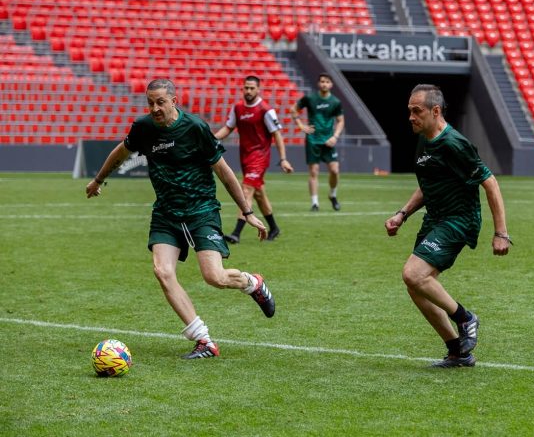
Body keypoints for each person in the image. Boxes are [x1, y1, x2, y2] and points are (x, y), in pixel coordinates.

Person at [85, 78, 276, 360]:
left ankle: (252, 283)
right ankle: (204, 341)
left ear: (174, 101)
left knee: (214, 277)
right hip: (166, 213)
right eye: (150, 102)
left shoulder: (195, 127)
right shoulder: (143, 128)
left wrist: (247, 212)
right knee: (162, 272)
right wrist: (98, 180)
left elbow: (223, 172)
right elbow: (120, 152)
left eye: (160, 102)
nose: (155, 108)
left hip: (200, 210)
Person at [384, 84, 511, 368]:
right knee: (415, 286)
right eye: (409, 111)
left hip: (458, 219)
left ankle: (466, 318)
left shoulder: (454, 143)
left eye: (416, 111)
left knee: (413, 274)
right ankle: (458, 351)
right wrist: (402, 214)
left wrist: (501, 232)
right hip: (435, 219)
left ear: (436, 111)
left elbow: (490, 183)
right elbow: (428, 185)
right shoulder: (424, 139)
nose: (410, 117)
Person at [214, 75, 294, 243]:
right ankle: (274, 228)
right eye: (246, 88)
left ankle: (236, 233)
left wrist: (284, 159)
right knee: (258, 194)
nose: (248, 91)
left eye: (252, 88)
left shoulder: (265, 110)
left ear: (258, 89)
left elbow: (277, 135)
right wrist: (212, 139)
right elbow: (228, 128)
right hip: (245, 157)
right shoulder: (237, 108)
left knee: (246, 190)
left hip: (260, 157)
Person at [290, 72, 344, 211]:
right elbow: (293, 110)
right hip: (312, 140)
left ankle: (332, 195)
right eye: (322, 81)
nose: (324, 84)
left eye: (327, 81)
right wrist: (301, 126)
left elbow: (340, 121)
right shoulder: (310, 98)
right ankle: (315, 203)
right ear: (318, 83)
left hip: (328, 141)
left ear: (331, 84)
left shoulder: (335, 102)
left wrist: (335, 137)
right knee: (314, 172)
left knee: (334, 170)